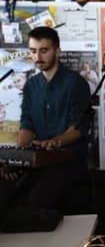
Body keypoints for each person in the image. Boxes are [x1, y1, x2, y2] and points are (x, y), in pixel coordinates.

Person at [0, 26, 91, 220]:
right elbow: (27, 124)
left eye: (44, 50)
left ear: (57, 51)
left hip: (69, 158)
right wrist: (16, 159)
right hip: (40, 158)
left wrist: (56, 141)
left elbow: (79, 128)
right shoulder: (32, 85)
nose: (38, 57)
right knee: (4, 187)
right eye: (33, 51)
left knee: (38, 198)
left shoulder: (76, 83)